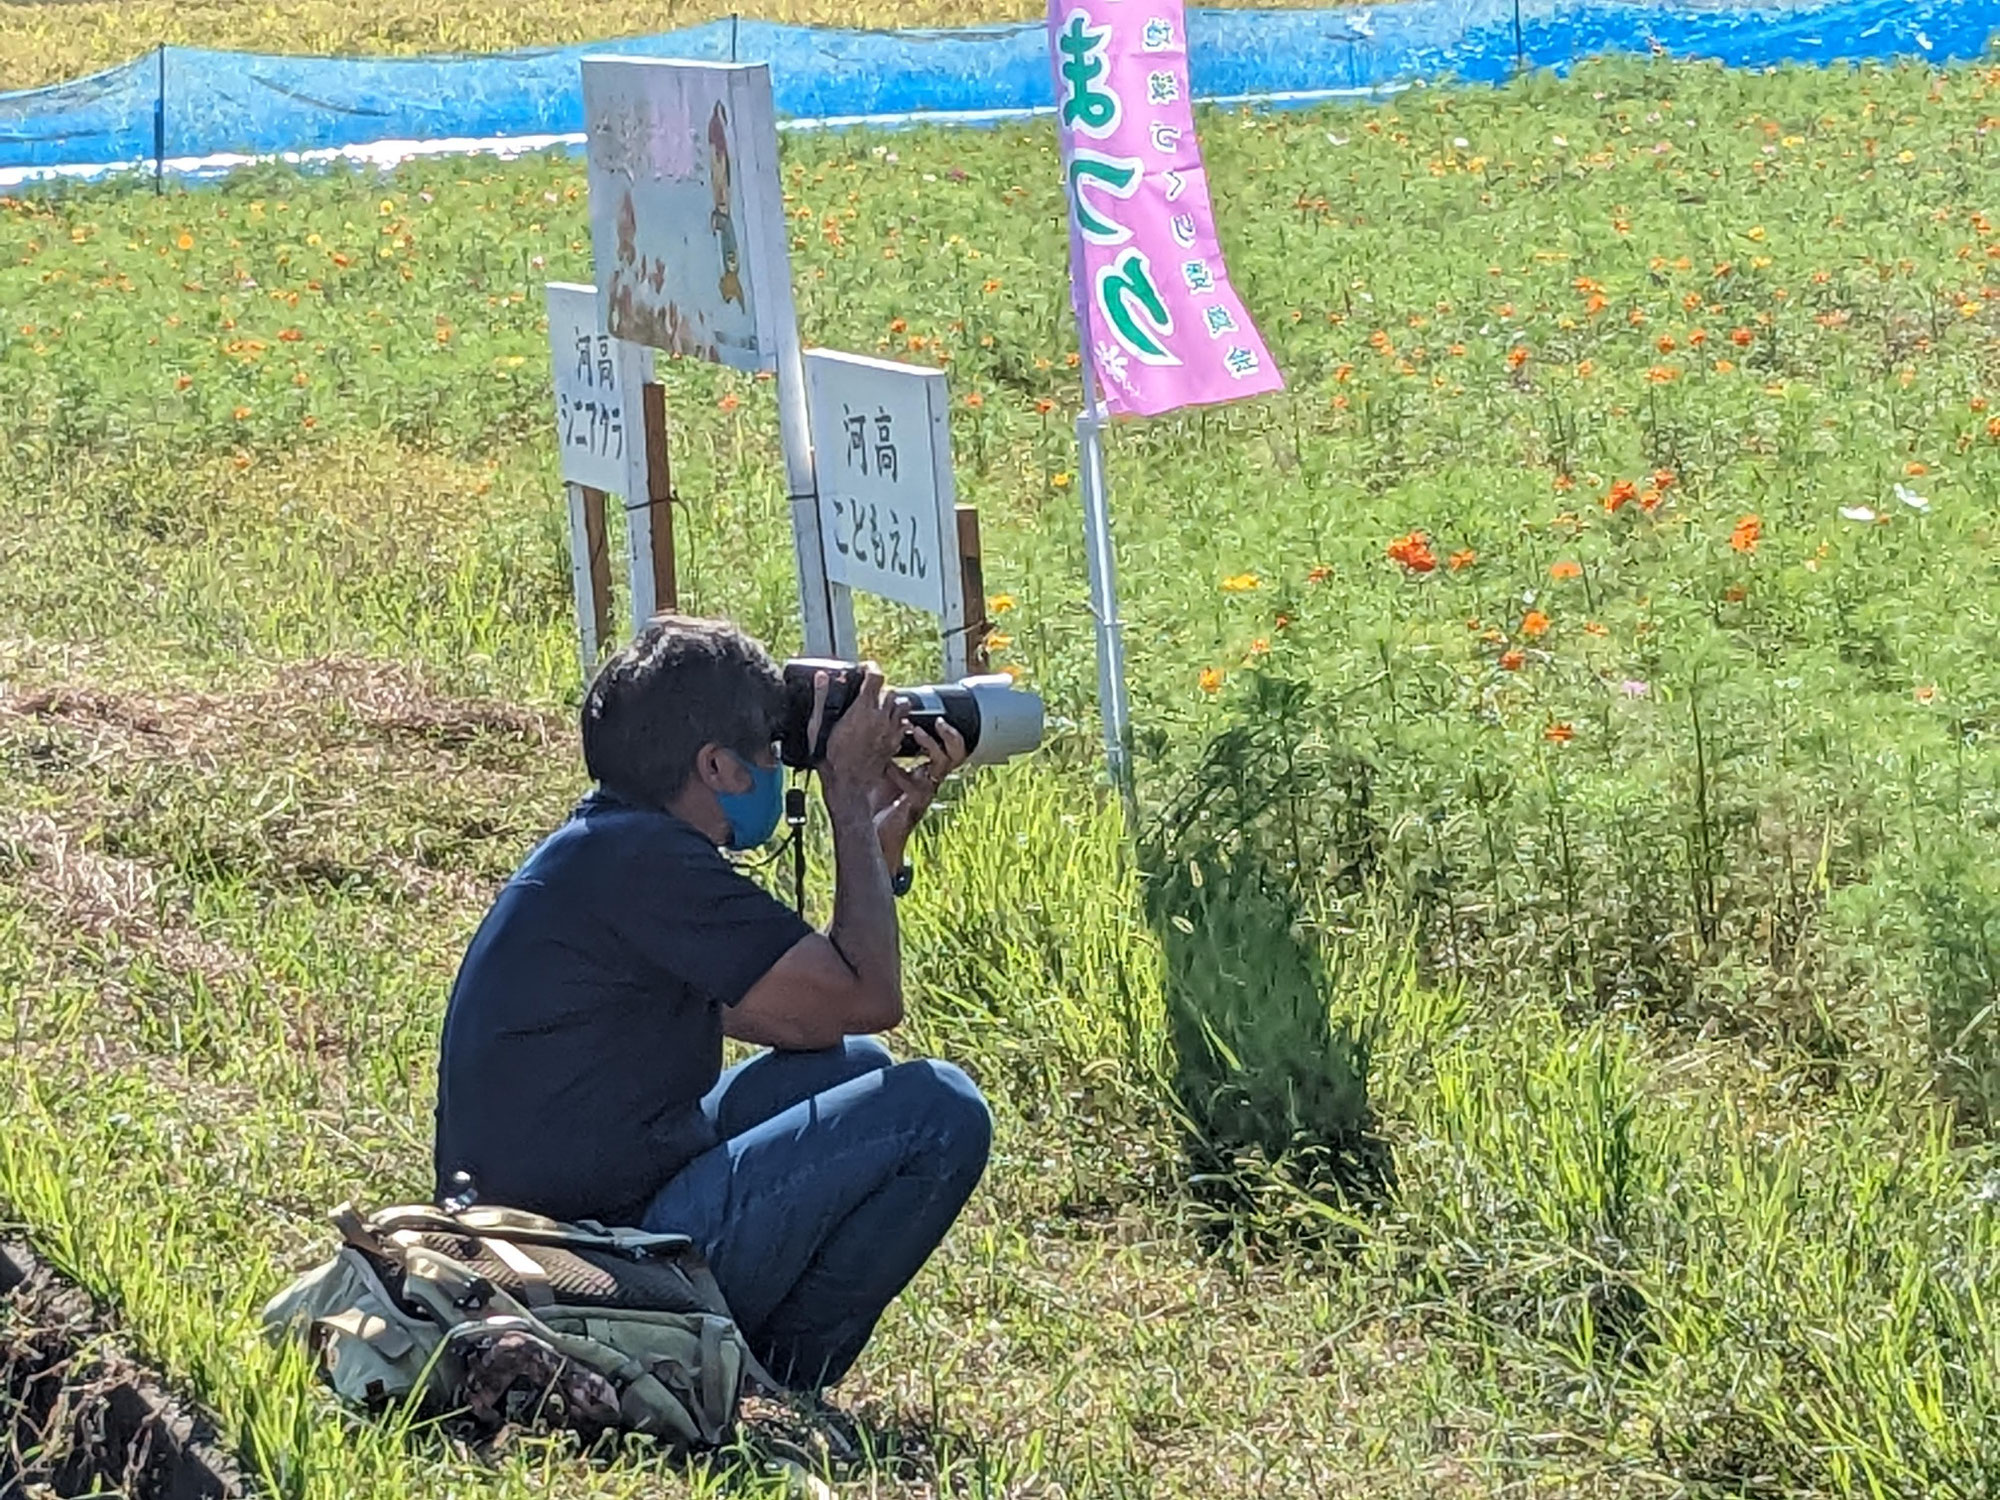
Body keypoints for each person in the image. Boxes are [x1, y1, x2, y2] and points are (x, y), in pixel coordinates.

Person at [432, 614, 991, 1393]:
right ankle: (772, 1380)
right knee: (939, 1108)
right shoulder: (647, 865)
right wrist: (845, 802)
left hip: (566, 1224)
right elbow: (869, 995)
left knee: (851, 1066)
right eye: (770, 750)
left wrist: (875, 835)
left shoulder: (612, 848)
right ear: (716, 766)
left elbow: (807, 1017)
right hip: (589, 1269)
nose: (776, 766)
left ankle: (748, 1359)